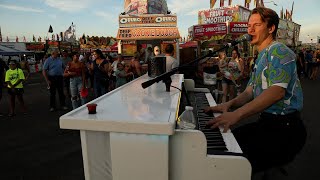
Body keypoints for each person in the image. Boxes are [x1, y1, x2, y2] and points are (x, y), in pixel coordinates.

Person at [205, 7, 306, 173]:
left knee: (231, 163)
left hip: (286, 130)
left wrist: (236, 115)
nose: (249, 29)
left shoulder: (279, 51)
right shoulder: (261, 57)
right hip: (267, 124)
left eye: (256, 25)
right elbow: (248, 92)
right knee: (228, 145)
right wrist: (227, 105)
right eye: (249, 25)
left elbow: (276, 92)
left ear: (271, 28)